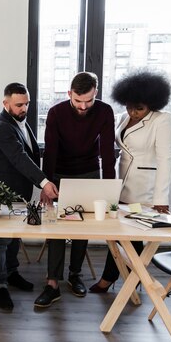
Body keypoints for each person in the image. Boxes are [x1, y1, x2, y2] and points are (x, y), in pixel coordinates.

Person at [34, 71, 115, 308]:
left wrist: (110, 191)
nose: (82, 106)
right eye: (78, 100)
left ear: (95, 94)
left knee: (83, 225)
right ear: (69, 93)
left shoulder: (104, 111)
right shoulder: (56, 112)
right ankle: (52, 283)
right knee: (56, 225)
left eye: (88, 101)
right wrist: (46, 184)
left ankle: (75, 275)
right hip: (59, 172)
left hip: (89, 171)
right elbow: (50, 151)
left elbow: (108, 154)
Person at [89, 69, 171, 293]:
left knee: (131, 232)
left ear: (152, 104)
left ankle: (121, 279)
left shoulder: (162, 120)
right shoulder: (124, 117)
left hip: (144, 188)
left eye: (140, 108)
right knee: (119, 231)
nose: (134, 112)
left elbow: (166, 159)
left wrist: (160, 198)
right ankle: (129, 279)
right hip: (122, 182)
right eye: (129, 106)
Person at [0, 82, 59, 310]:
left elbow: (32, 153)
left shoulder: (20, 121)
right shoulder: (2, 127)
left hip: (21, 192)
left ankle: (11, 273)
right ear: (5, 103)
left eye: (27, 103)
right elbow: (19, 158)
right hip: (3, 192)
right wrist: (45, 182)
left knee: (14, 237)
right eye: (19, 104)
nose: (24, 108)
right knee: (0, 242)